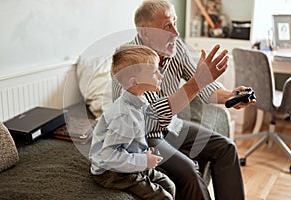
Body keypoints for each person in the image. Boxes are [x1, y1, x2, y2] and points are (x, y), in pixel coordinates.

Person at [111, 0, 256, 199]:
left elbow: (201, 84)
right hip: (140, 136)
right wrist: (198, 81)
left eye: (175, 23)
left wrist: (229, 96)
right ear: (145, 33)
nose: (176, 33)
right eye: (167, 27)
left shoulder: (175, 47)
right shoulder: (128, 61)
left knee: (226, 148)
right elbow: (153, 116)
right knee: (188, 170)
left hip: (171, 126)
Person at [89, 44, 176, 200]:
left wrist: (143, 153)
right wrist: (144, 160)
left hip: (129, 159)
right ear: (135, 82)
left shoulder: (137, 102)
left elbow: (131, 138)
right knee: (165, 197)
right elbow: (109, 157)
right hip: (112, 172)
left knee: (169, 185)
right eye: (155, 72)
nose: (160, 76)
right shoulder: (124, 116)